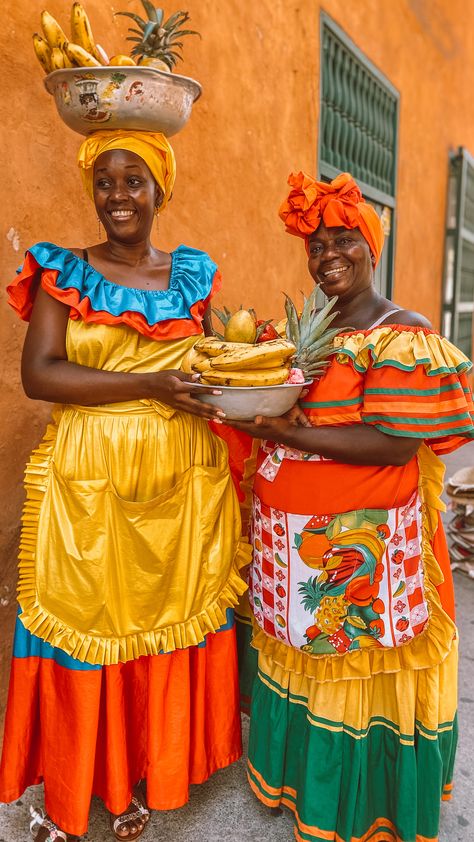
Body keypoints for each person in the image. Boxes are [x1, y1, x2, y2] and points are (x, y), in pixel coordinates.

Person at [0, 129, 250, 841]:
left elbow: (206, 359)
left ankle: (148, 766)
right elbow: (39, 373)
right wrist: (149, 383)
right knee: (92, 615)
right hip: (91, 478)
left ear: (159, 190)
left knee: (166, 611)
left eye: (133, 180)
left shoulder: (192, 274)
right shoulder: (63, 271)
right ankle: (90, 777)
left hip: (183, 479)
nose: (118, 194)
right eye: (105, 180)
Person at [229, 172, 474, 842]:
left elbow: (395, 446)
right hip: (293, 546)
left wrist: (286, 434)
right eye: (316, 245)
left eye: (343, 241)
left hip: (361, 552)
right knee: (303, 655)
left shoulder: (401, 335)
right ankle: (299, 781)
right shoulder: (304, 329)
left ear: (371, 247)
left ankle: (358, 800)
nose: (327, 254)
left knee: (353, 658)